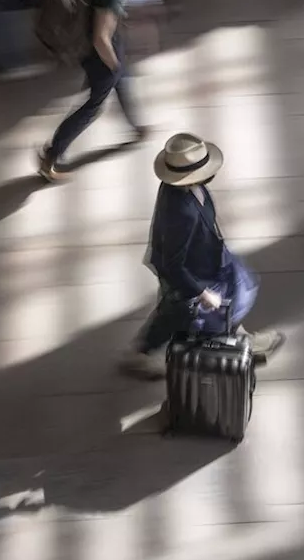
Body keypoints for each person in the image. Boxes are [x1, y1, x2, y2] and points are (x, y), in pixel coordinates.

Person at [120, 133, 287, 378]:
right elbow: (173, 264)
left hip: (206, 261)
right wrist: (201, 291)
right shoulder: (182, 213)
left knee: (184, 308)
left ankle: (238, 336)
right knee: (178, 311)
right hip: (194, 272)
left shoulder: (178, 189)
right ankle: (139, 354)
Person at [37, 0, 149, 181]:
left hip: (88, 45)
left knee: (123, 82)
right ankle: (52, 155)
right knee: (95, 104)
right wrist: (113, 63)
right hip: (101, 50)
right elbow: (101, 37)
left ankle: (136, 125)